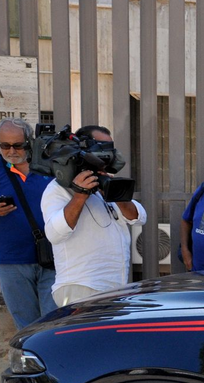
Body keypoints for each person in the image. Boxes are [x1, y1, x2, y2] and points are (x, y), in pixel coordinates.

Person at [41, 125, 147, 307]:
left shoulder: (104, 182)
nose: (107, 154)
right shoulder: (57, 189)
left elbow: (138, 217)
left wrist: (114, 191)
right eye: (101, 147)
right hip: (80, 289)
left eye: (109, 147)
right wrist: (80, 194)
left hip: (114, 288)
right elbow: (54, 234)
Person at [0, 118, 57, 328]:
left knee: (53, 324)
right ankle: (30, 361)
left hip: (54, 258)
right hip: (11, 262)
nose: (11, 151)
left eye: (18, 145)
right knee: (26, 327)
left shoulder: (49, 166)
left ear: (29, 142)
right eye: (5, 145)